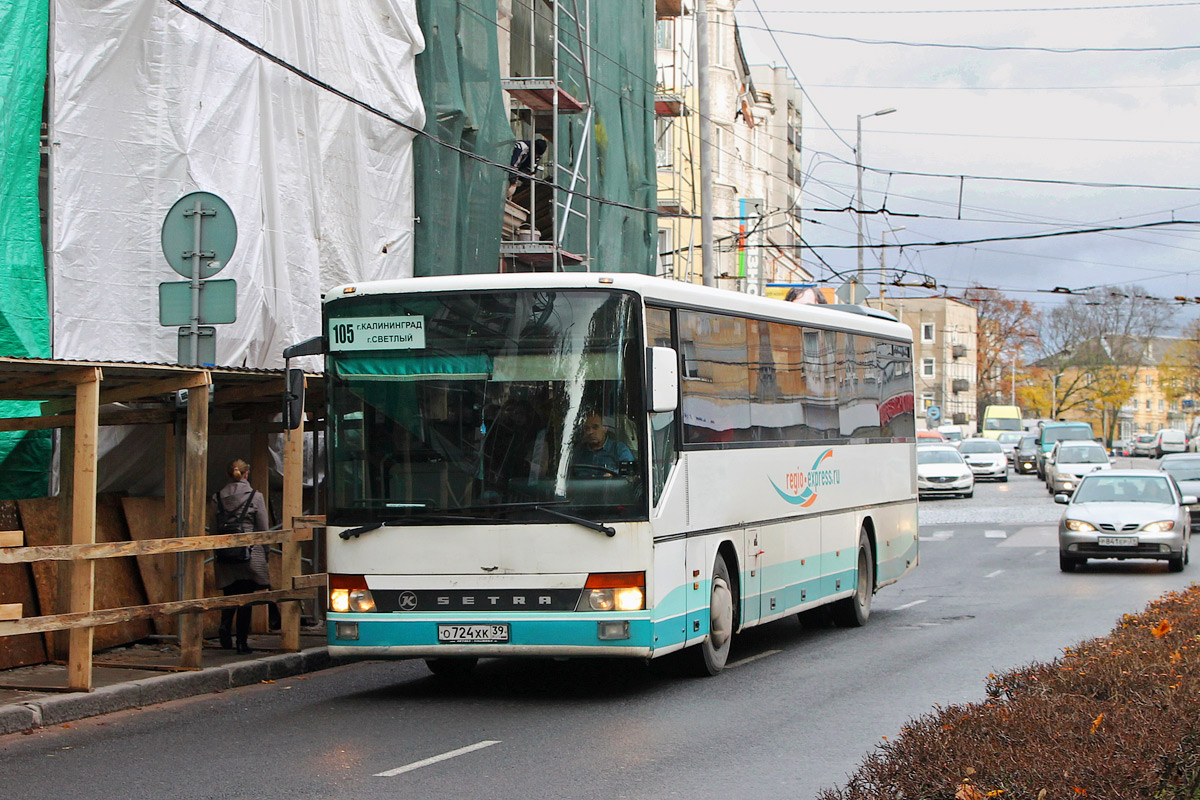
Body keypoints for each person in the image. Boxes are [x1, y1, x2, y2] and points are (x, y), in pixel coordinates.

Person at [209, 458, 271, 654]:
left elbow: (213, 528)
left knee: (230, 592)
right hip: (249, 552)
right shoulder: (256, 497)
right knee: (246, 597)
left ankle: (224, 631)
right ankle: (242, 642)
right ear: (246, 474)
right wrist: (266, 553)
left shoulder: (217, 497)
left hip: (226, 552)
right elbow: (263, 528)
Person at [572, 411, 633, 477]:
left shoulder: (619, 449)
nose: (590, 432)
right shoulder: (578, 452)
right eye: (587, 428)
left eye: (595, 427)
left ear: (605, 428)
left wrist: (612, 474)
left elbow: (629, 471)